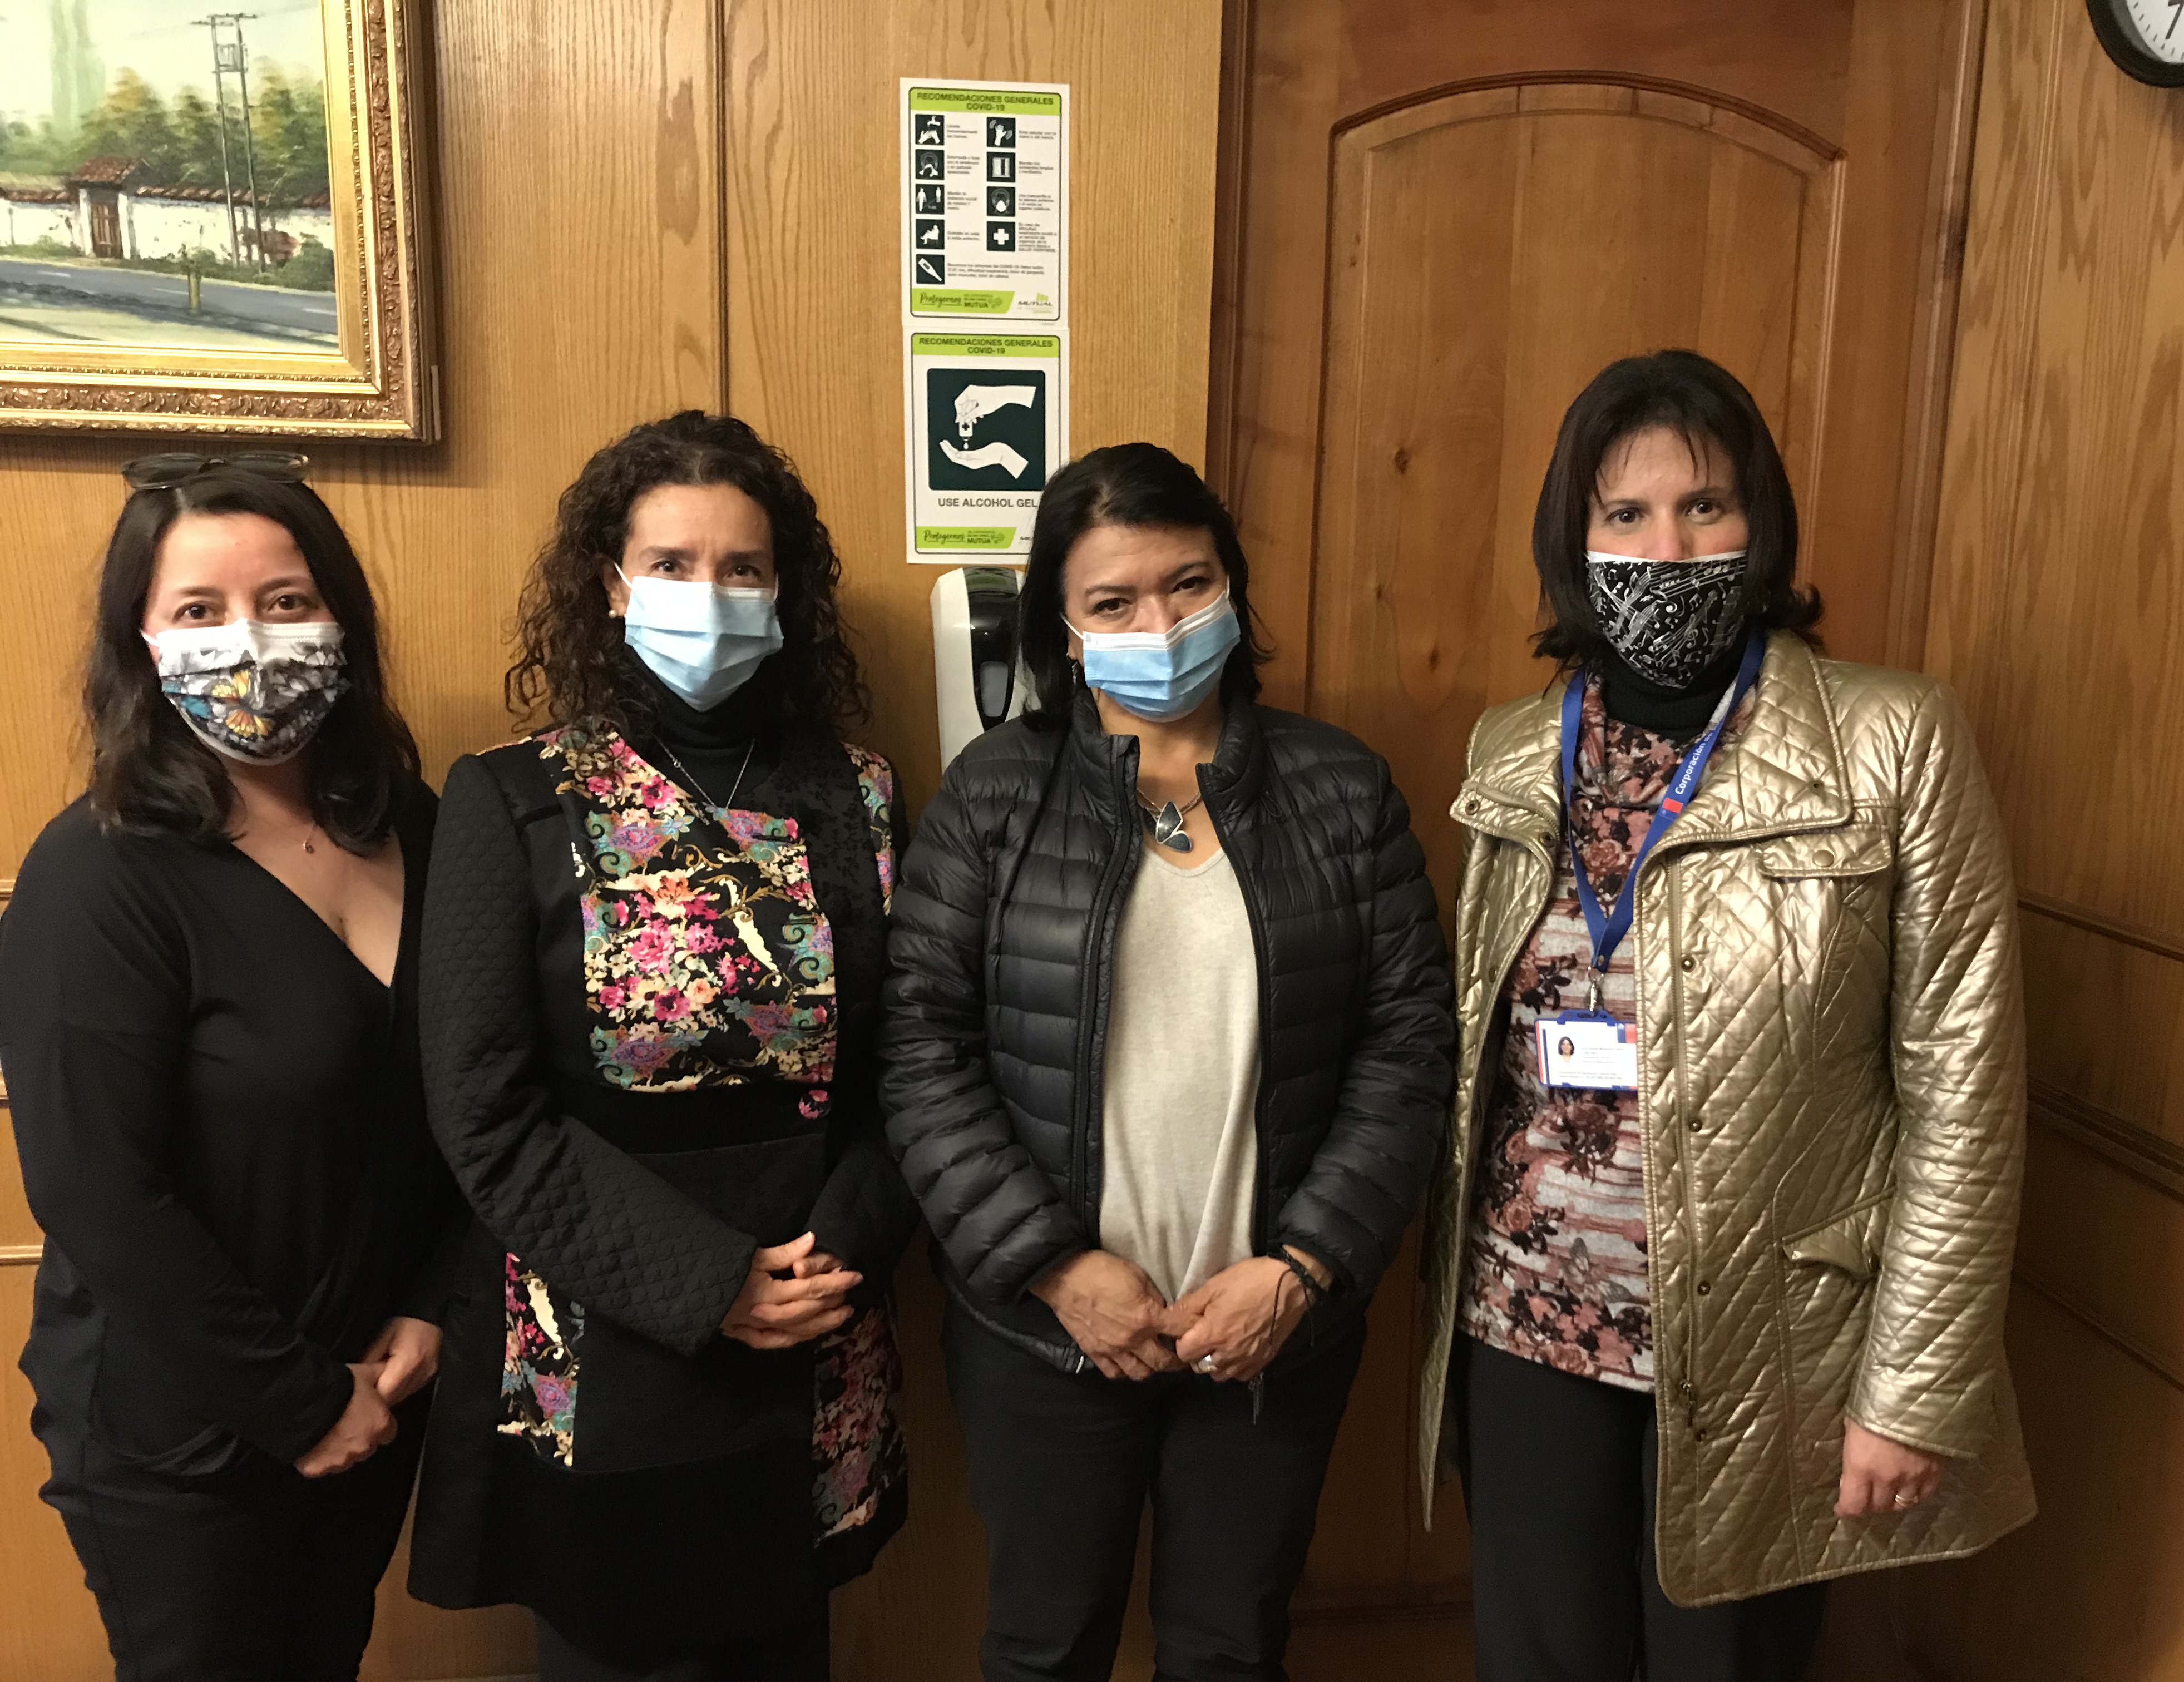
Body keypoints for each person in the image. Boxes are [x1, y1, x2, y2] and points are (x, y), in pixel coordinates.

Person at [1417, 350, 2036, 1681]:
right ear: (1575, 542)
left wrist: (1912, 1388)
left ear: (1763, 524)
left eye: (1705, 506)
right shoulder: (1511, 749)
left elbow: (1965, 1092)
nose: (1667, 548)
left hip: (1772, 1344)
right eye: (1625, 514)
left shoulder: (1894, 741)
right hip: (1526, 1319)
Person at [882, 442, 1456, 1682]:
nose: (1160, 624)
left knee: (1231, 1650)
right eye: (1114, 601)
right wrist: (1051, 1266)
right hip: (1046, 1335)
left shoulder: (1343, 789)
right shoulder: (993, 795)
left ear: (1232, 586)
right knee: (1043, 1647)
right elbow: (922, 1049)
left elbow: (1409, 1049)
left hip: (1270, 1334)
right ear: (1065, 631)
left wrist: (1303, 1270)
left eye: (1188, 585)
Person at [408, 411, 918, 1682]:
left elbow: (913, 1067)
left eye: (743, 568)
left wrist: (836, 1257)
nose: (710, 593)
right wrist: (710, 1285)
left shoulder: (857, 794)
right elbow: (485, 1114)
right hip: (608, 1343)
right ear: (611, 583)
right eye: (673, 564)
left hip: (815, 1326)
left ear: (784, 593)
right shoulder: (513, 797)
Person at [0, 453, 457, 1681]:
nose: (249, 639)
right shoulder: (95, 873)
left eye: (287, 600)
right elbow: (97, 1191)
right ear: (142, 642)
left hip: (380, 1391)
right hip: (186, 1435)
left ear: (342, 621)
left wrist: (435, 1306)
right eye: (199, 609)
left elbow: (471, 1100)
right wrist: (299, 1403)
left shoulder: (418, 826)